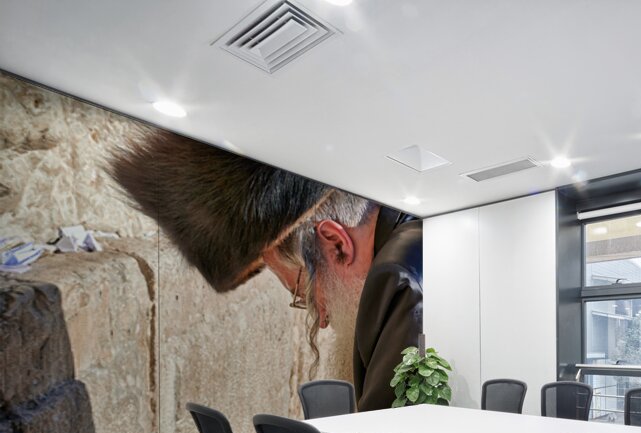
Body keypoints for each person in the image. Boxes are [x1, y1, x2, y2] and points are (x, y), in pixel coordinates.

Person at [109, 128, 422, 410]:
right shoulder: (415, 238)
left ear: (336, 246)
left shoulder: (395, 277)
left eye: (305, 295)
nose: (322, 320)